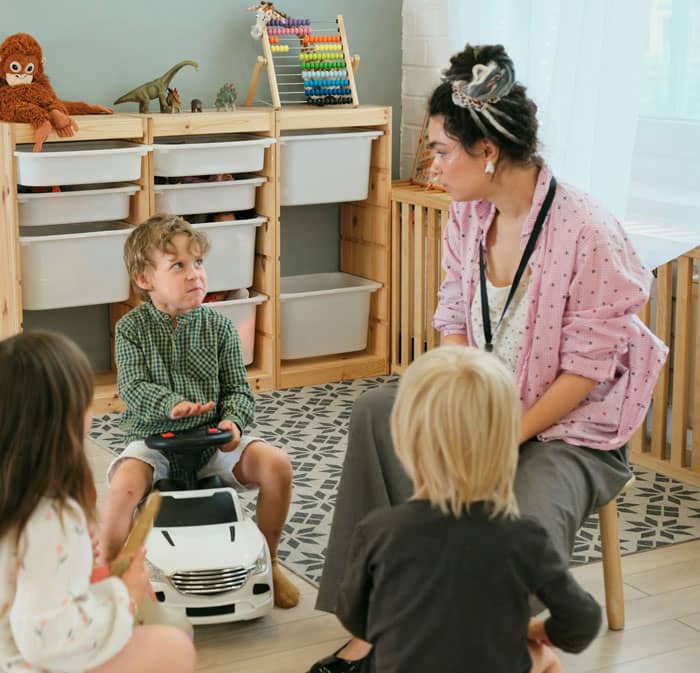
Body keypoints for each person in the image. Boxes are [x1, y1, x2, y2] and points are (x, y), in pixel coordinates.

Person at [308, 44, 668, 671]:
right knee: (376, 411)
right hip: (481, 404)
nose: (434, 165)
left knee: (519, 519)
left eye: (442, 150)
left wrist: (502, 434)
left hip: (567, 428)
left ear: (488, 150)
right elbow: (453, 318)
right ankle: (370, 630)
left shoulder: (586, 228)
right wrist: (456, 403)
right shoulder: (468, 217)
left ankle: (492, 642)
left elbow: (586, 372)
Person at [336, 346, 602, 673]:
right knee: (547, 661)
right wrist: (538, 631)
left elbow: (356, 618)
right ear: (506, 444)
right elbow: (582, 621)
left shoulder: (378, 531)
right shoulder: (524, 537)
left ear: (403, 441)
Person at [99, 214, 299, 609]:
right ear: (144, 279)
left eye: (199, 263)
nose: (195, 274)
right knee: (123, 487)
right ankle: (108, 575)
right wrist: (171, 405)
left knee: (278, 466)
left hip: (214, 441)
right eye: (178, 265)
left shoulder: (220, 328)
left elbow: (238, 390)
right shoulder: (131, 330)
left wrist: (233, 421)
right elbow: (133, 388)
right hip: (154, 442)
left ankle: (270, 560)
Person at [0, 331, 196, 673]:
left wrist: (76, 558)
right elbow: (47, 641)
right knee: (173, 646)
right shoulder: (50, 518)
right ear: (67, 419)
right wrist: (126, 594)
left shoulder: (21, 502)